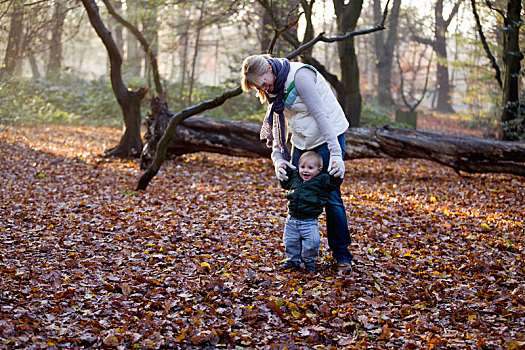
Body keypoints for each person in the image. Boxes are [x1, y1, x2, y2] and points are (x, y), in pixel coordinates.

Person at [240, 54, 353, 272]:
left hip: (328, 135)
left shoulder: (300, 76)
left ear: (269, 69)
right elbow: (278, 125)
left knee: (330, 197)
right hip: (302, 140)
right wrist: (278, 159)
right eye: (258, 86)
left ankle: (342, 257)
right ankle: (300, 257)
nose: (263, 88)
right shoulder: (274, 89)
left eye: (262, 82)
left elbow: (321, 116)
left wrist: (336, 154)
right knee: (297, 191)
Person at [280, 151, 343, 272]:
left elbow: (333, 183)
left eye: (310, 168)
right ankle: (292, 259)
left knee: (312, 242)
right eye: (302, 167)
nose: (305, 171)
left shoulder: (322, 180)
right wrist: (285, 170)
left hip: (309, 222)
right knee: (290, 241)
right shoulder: (295, 178)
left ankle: (309, 261)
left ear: (319, 169)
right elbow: (285, 183)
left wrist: (337, 173)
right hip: (292, 219)